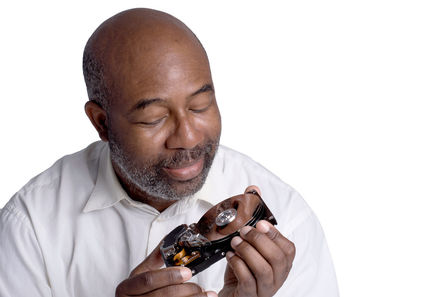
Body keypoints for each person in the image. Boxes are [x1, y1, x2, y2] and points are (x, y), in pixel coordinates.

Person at [0, 8, 338, 297]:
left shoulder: (288, 217)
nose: (188, 137)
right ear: (102, 123)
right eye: (154, 118)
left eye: (201, 105)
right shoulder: (31, 226)